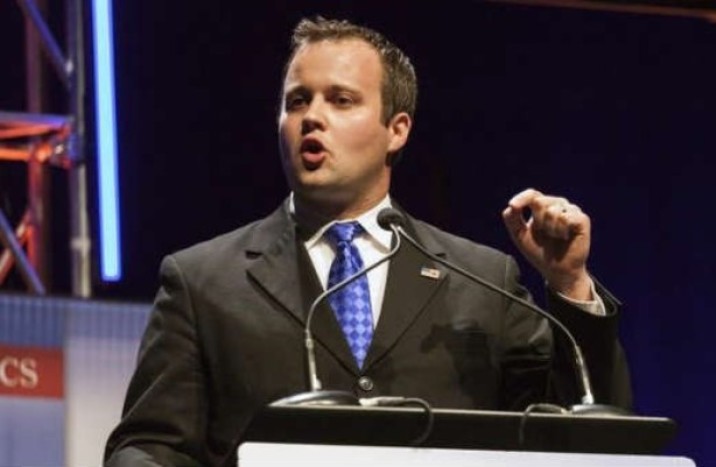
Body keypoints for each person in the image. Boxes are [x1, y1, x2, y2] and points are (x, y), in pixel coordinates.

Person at [104, 16, 632, 466]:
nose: (312, 117)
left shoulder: (482, 281)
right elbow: (147, 447)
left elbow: (579, 435)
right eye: (296, 101)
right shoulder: (203, 281)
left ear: (396, 130)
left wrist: (569, 283)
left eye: (341, 100)